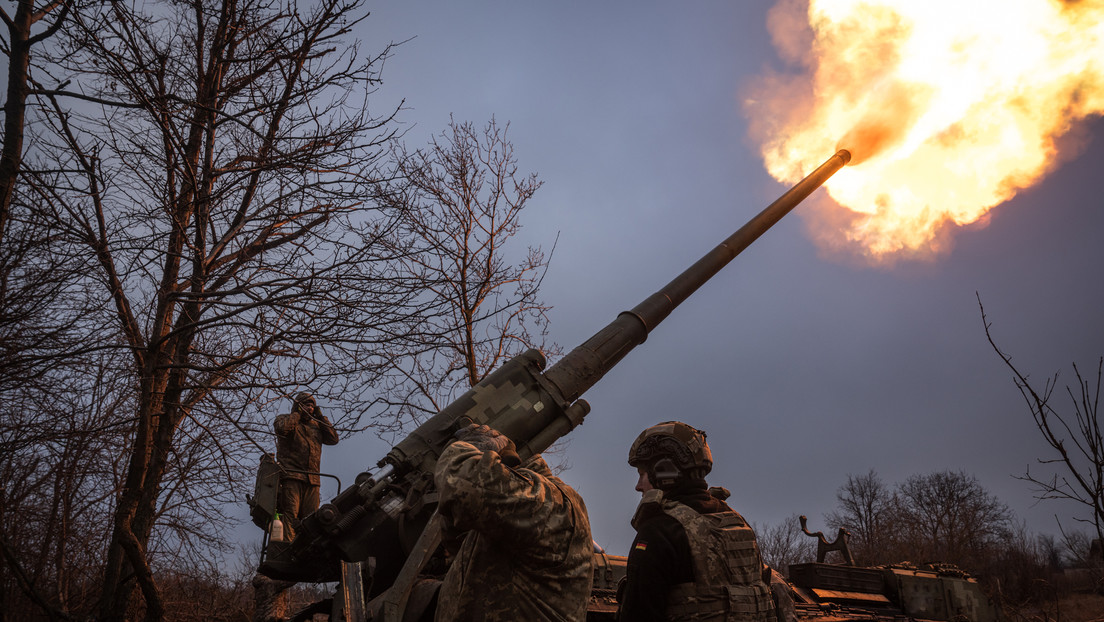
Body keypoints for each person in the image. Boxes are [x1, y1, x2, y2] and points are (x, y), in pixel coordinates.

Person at [618, 421, 776, 622]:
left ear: (664, 471)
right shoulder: (738, 523)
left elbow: (639, 614)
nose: (638, 486)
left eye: (642, 474)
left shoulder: (659, 531)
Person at [433, 424, 594, 621]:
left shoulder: (553, 504)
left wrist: (466, 446)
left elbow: (462, 486)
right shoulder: (508, 518)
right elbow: (457, 540)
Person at [273, 391, 339, 540]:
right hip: (292, 476)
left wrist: (321, 417)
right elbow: (282, 429)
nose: (310, 408)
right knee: (290, 515)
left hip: (313, 480)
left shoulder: (317, 426)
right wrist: (297, 414)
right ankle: (289, 548)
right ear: (298, 406)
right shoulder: (285, 420)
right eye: (306, 405)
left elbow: (333, 439)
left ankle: (307, 549)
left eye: (312, 406)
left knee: (311, 519)